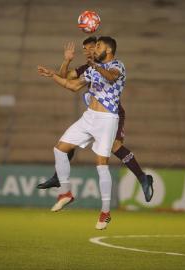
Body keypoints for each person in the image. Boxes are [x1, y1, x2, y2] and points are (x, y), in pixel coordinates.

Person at [37, 36, 154, 203]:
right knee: (69, 142)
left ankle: (142, 178)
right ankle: (59, 177)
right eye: (84, 50)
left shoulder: (110, 66)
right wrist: (66, 61)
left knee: (115, 146)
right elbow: (68, 79)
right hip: (92, 114)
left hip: (112, 113)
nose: (86, 52)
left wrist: (95, 66)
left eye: (90, 48)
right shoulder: (88, 68)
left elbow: (111, 76)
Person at [38, 36, 126, 230]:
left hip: (107, 119)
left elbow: (111, 77)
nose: (95, 49)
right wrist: (52, 74)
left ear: (109, 50)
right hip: (89, 117)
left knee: (101, 165)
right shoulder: (94, 69)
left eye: (99, 46)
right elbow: (73, 86)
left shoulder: (117, 66)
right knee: (60, 149)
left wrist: (95, 65)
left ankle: (105, 212)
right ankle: (66, 193)